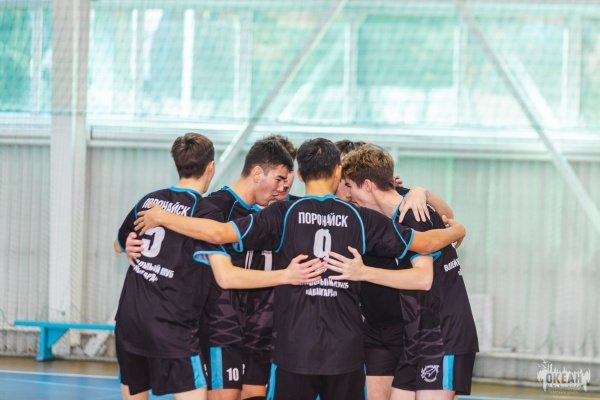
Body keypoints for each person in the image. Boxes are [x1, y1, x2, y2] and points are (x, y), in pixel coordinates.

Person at [133, 138, 466, 400]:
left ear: (301, 175)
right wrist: (456, 230)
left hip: (294, 348)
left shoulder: (284, 214)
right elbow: (425, 243)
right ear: (337, 173)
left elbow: (219, 234)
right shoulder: (360, 218)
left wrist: (163, 217)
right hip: (346, 349)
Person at [114, 133, 323, 400]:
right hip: (210, 325)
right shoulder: (210, 209)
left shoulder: (153, 200)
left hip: (258, 324)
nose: (282, 188)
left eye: (287, 182)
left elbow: (121, 242)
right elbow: (222, 264)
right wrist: (287, 275)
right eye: (279, 179)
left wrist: (129, 241)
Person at [326, 144, 478, 400]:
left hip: (443, 334)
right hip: (417, 335)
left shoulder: (413, 214)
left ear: (368, 185)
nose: (348, 194)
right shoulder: (395, 217)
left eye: (349, 186)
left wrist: (362, 272)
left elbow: (423, 278)